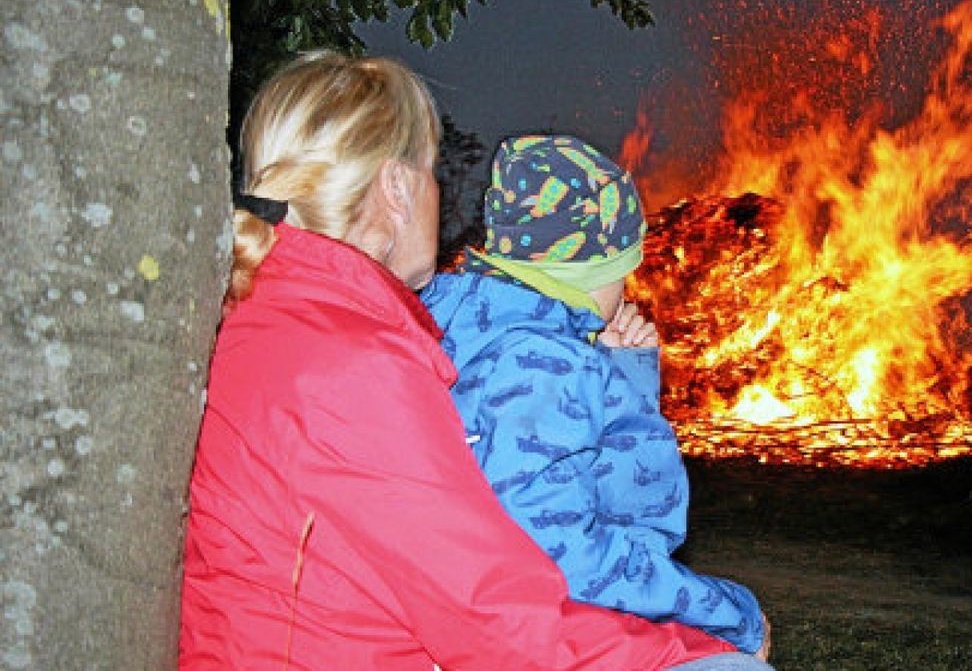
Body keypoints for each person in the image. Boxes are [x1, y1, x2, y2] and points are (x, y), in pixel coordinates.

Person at [179, 51, 753, 669]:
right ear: (396, 188)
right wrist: (705, 641)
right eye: (430, 171)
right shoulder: (351, 366)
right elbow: (494, 620)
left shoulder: (255, 320)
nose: (440, 191)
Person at [421, 135, 772, 663]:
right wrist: (727, 611)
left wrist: (620, 378)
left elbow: (612, 493)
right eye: (623, 272)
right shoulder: (544, 364)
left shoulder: (467, 326)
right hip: (533, 637)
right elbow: (570, 558)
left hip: (499, 620)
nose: (627, 292)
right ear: (593, 269)